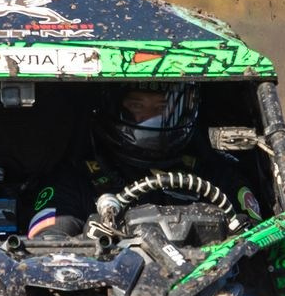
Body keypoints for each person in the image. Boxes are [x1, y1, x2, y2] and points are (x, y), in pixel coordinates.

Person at [77, 81, 265, 222]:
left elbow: (260, 237)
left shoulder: (215, 175)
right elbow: (53, 240)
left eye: (161, 108)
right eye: (137, 106)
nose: (149, 118)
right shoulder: (80, 178)